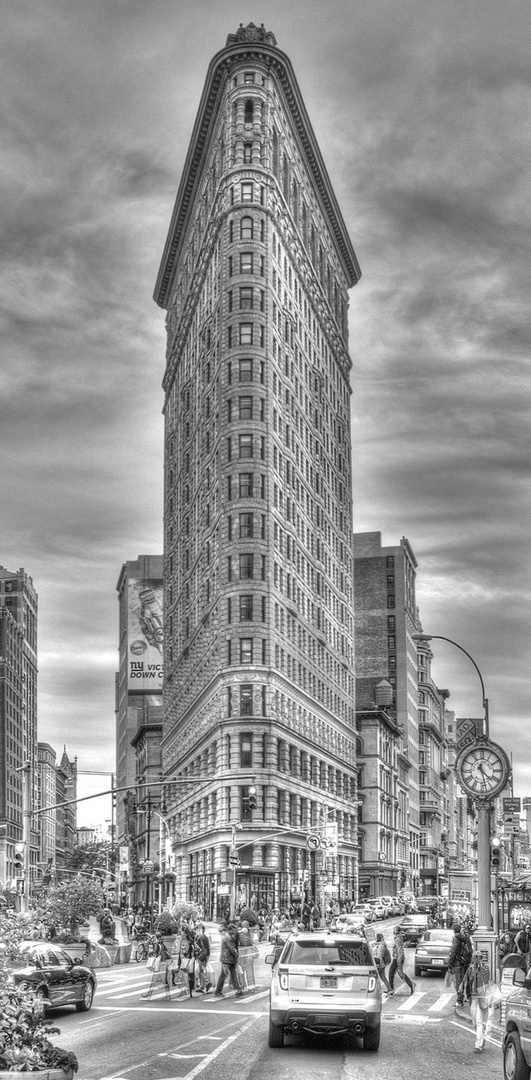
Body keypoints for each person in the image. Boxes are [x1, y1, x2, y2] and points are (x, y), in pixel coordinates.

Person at [461, 951, 495, 1052]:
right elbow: (465, 980)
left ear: (481, 958)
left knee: (479, 1021)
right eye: (475, 957)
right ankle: (482, 1038)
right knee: (475, 1022)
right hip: (473, 997)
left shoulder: (485, 969)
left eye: (479, 957)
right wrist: (462, 990)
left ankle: (478, 1044)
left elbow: (488, 981)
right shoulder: (470, 969)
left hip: (482, 997)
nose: (477, 959)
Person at [448, 922, 473, 1010]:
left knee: (458, 983)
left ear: (454, 930)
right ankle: (468, 996)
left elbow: (454, 951)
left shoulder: (456, 939)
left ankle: (459, 1001)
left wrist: (450, 963)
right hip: (464, 962)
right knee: (464, 980)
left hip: (457, 963)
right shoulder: (465, 938)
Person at [215, 923, 244, 998]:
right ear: (231, 930)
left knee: (232, 975)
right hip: (227, 959)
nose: (235, 931)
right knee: (224, 975)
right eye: (234, 929)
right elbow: (232, 948)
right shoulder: (228, 938)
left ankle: (238, 990)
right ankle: (218, 991)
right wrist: (236, 955)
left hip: (228, 959)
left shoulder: (229, 936)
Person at [388, 926, 415, 996]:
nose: (393, 931)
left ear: (396, 931)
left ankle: (391, 989)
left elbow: (399, 949)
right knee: (400, 973)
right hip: (398, 958)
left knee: (391, 974)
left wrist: (399, 960)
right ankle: (411, 985)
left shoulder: (397, 939)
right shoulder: (399, 938)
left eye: (394, 930)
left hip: (397, 958)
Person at [193, 923, 212, 993]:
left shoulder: (201, 937)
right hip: (204, 956)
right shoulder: (204, 937)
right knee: (201, 971)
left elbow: (204, 948)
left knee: (200, 971)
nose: (196, 930)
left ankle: (207, 982)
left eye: (197, 928)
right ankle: (201, 986)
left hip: (201, 956)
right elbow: (208, 948)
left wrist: (202, 956)